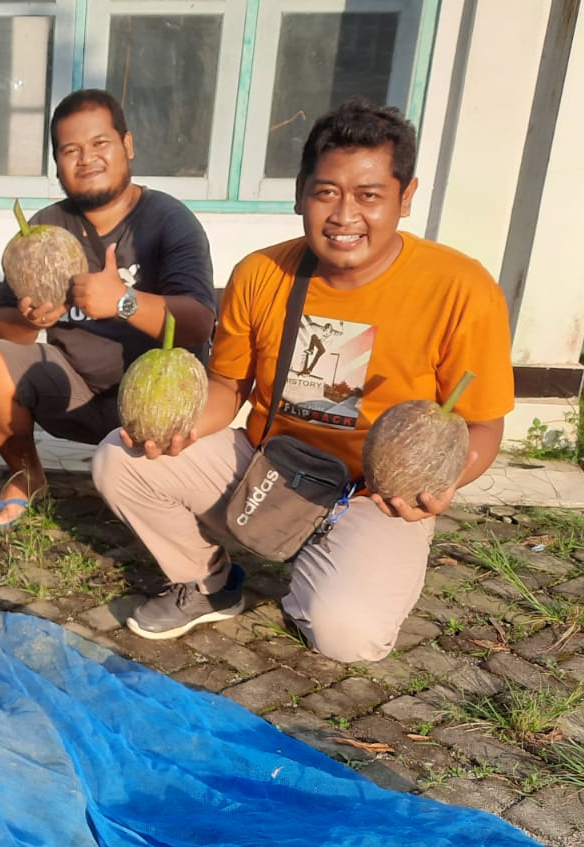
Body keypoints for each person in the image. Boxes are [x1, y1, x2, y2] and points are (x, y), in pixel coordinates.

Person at [91, 98, 515, 663]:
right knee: (120, 459)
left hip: (374, 495)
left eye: (369, 196)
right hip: (270, 465)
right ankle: (207, 581)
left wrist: (440, 484)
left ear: (406, 197)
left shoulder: (461, 288)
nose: (344, 215)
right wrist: (178, 430)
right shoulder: (260, 273)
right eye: (327, 192)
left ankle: (325, 567)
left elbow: (483, 424)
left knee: (347, 636)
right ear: (300, 193)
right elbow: (228, 387)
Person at [0, 89, 218, 529]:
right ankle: (27, 476)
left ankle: (161, 497)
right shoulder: (44, 227)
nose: (87, 159)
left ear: (127, 145)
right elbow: (1, 328)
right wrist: (30, 318)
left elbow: (199, 323)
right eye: (71, 150)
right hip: (73, 393)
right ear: (57, 163)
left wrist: (123, 302)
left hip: (153, 404)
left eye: (100, 143)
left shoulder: (168, 219)